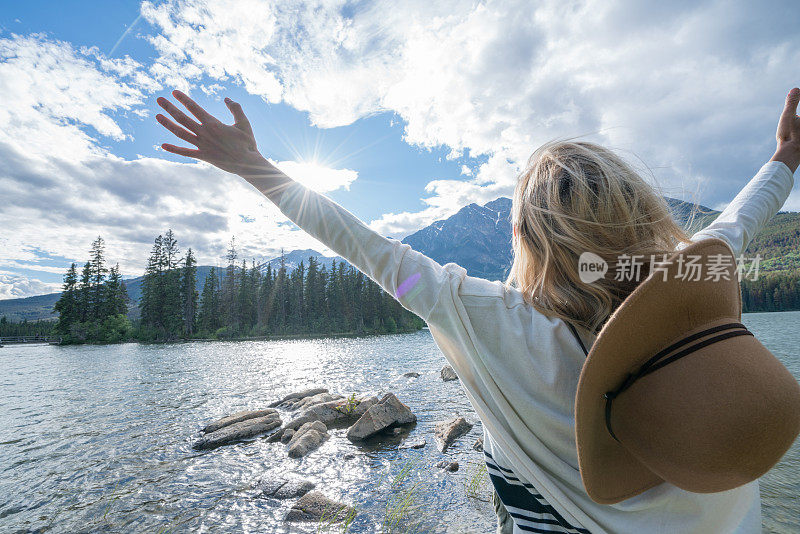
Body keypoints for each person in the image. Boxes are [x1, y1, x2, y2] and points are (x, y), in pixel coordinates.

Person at [156, 87, 799, 533]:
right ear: (640, 214)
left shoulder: (482, 314)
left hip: (570, 523)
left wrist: (253, 166)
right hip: (728, 517)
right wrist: (785, 160)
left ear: (525, 239)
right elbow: (740, 222)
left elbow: (363, 247)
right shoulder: (693, 277)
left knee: (497, 441)